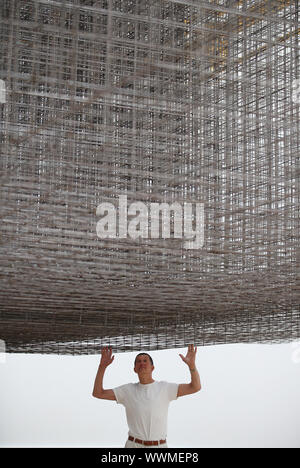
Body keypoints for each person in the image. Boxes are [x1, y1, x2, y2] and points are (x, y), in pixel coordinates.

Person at [92, 344, 201, 448]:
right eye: (138, 361)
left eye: (145, 360)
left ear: (152, 367)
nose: (142, 363)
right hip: (133, 444)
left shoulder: (165, 388)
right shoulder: (127, 390)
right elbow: (98, 393)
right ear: (135, 369)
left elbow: (195, 387)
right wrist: (102, 367)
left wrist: (192, 366)